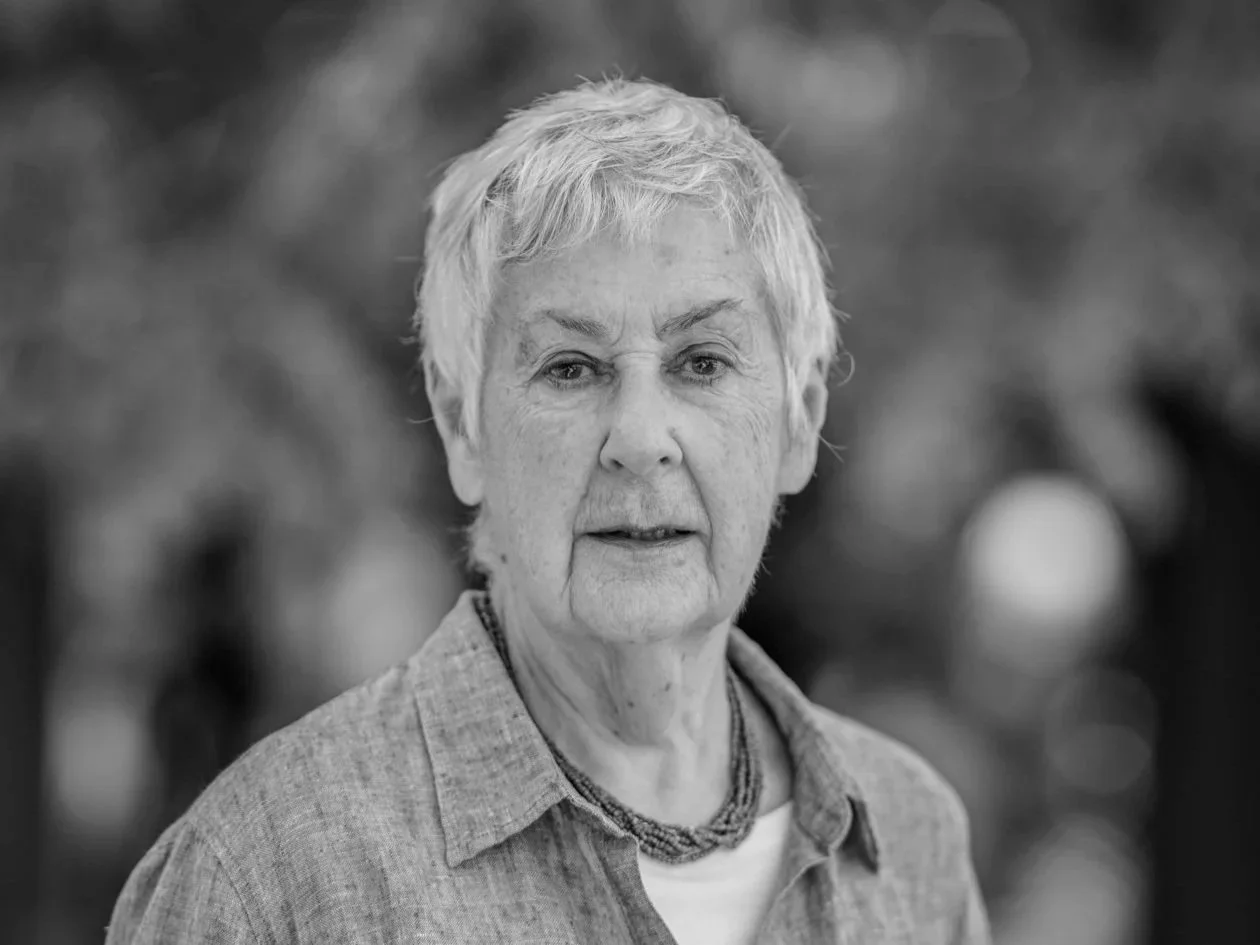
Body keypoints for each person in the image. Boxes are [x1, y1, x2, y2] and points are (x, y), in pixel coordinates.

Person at [107, 77, 989, 944]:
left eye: (702, 362)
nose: (641, 438)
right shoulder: (268, 877)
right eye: (570, 367)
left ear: (799, 421)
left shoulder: (912, 841)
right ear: (462, 428)